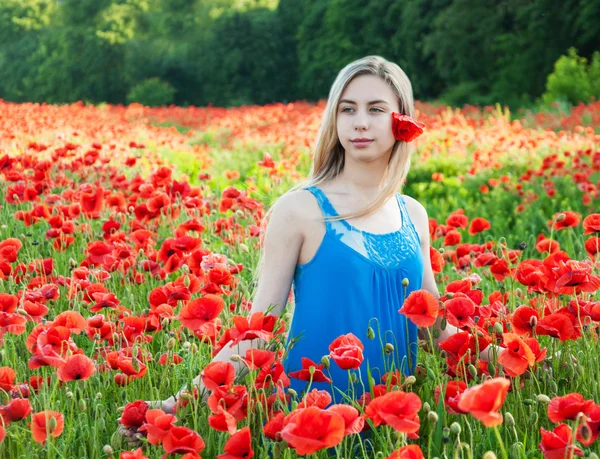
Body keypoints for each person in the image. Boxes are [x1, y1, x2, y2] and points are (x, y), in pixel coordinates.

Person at [119, 56, 499, 437]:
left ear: (402, 121)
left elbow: (431, 330)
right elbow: (259, 332)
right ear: (334, 119)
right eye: (347, 109)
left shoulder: (413, 214)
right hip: (312, 425)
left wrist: (510, 361)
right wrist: (173, 406)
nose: (360, 122)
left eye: (376, 109)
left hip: (393, 429)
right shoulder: (300, 209)